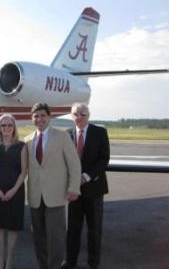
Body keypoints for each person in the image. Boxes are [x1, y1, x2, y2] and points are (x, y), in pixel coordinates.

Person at [24, 102, 81, 269]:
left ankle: (55, 266)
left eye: (43, 115)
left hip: (56, 195)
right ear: (32, 118)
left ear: (49, 117)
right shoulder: (27, 140)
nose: (39, 119)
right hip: (35, 196)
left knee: (56, 236)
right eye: (36, 116)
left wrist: (74, 188)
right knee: (38, 236)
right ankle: (43, 265)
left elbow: (74, 165)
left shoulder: (62, 137)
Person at [63, 103, 110, 269]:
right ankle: (70, 262)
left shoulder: (100, 132)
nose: (79, 117)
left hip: (94, 189)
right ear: (71, 116)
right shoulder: (67, 135)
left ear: (88, 115)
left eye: (83, 114)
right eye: (76, 114)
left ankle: (93, 263)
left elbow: (104, 159)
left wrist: (87, 176)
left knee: (94, 229)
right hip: (74, 189)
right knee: (73, 229)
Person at [0, 114, 27, 269]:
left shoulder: (21, 146)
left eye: (10, 125)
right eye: (3, 125)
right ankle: (0, 260)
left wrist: (13, 190)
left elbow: (24, 172)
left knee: (12, 227)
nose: (7, 128)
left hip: (15, 191)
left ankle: (9, 261)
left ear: (14, 127)